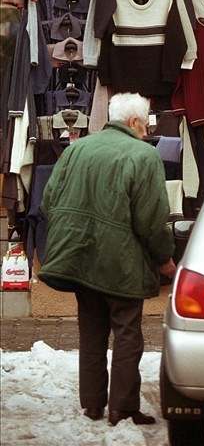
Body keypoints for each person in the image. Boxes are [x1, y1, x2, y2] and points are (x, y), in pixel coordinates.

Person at [39, 92, 176, 426]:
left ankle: (93, 405)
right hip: (122, 263)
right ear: (133, 122)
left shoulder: (78, 149)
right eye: (145, 126)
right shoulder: (143, 155)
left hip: (80, 259)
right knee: (127, 333)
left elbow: (48, 202)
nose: (146, 133)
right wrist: (164, 259)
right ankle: (123, 407)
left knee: (92, 331)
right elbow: (151, 218)